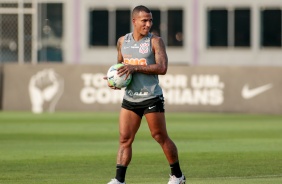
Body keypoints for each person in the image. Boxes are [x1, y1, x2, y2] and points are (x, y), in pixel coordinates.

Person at [106, 5, 185, 184]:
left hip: (151, 97)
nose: (148, 24)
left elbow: (162, 68)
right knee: (125, 138)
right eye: (144, 20)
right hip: (130, 98)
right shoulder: (122, 41)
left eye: (150, 20)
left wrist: (135, 67)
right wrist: (114, 81)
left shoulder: (155, 41)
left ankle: (178, 176)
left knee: (159, 136)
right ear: (134, 21)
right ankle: (119, 180)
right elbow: (120, 66)